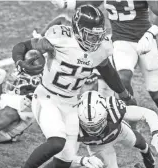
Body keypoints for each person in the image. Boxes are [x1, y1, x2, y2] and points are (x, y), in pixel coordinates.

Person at [13, 5, 136, 168]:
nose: (95, 41)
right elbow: (23, 46)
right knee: (57, 142)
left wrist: (124, 94)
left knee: (64, 162)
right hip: (47, 97)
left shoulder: (102, 48)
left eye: (98, 36)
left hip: (71, 103)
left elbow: (107, 71)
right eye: (90, 36)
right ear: (78, 30)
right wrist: (19, 62)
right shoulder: (60, 38)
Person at [50, 0, 158, 142]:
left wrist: (150, 34)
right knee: (122, 80)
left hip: (145, 41)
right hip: (121, 42)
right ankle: (133, 125)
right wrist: (66, 4)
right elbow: (91, 2)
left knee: (157, 95)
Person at [73, 91, 158, 168]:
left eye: (97, 124)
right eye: (89, 126)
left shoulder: (114, 109)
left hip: (118, 132)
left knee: (140, 143)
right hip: (98, 146)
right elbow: (64, 158)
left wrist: (157, 132)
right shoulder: (72, 125)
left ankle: (147, 154)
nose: (94, 130)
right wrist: (83, 161)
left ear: (106, 112)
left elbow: (147, 113)